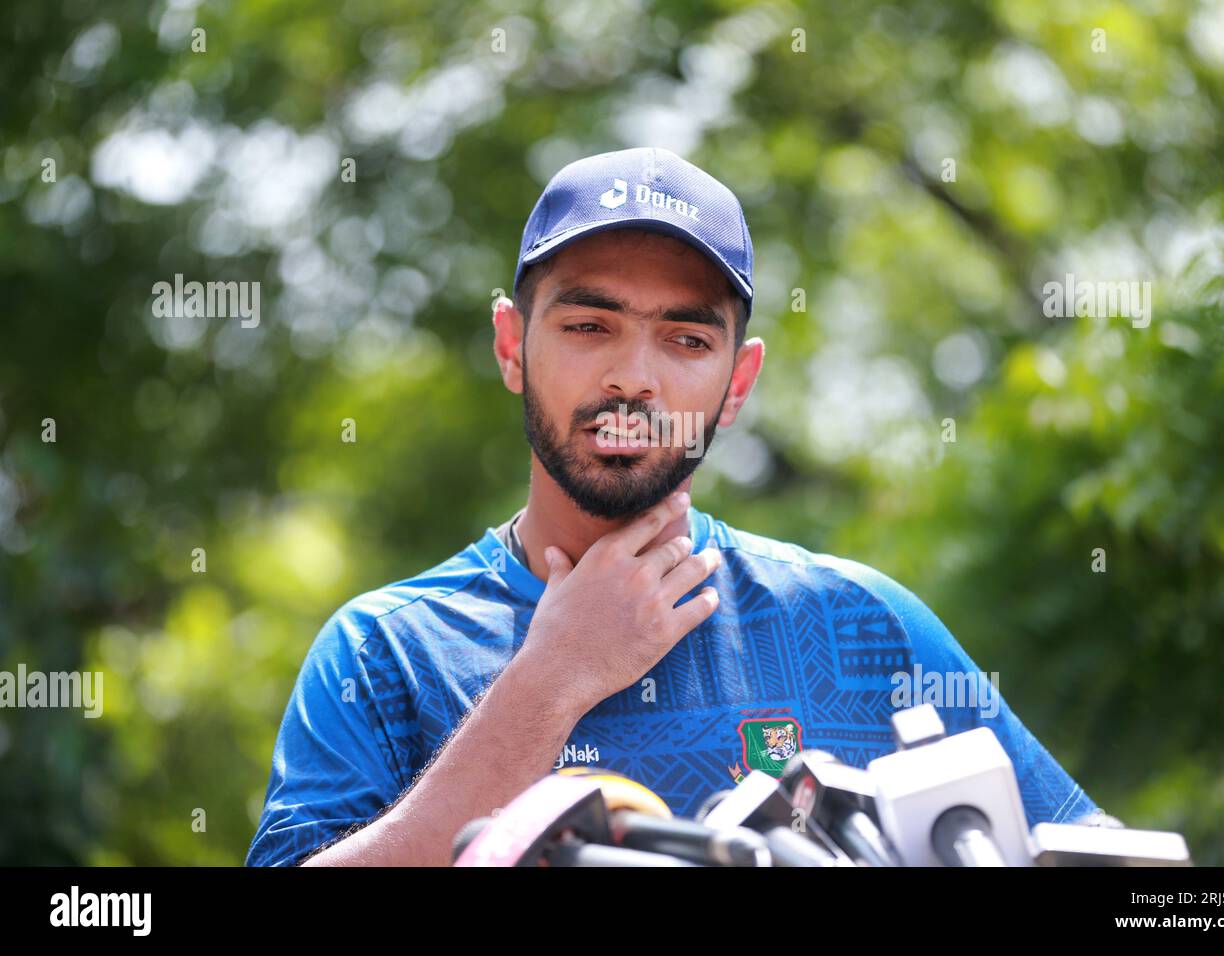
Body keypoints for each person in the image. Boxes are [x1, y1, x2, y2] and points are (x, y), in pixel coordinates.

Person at [246, 146, 1102, 867]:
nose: (634, 377)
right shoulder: (384, 651)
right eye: (589, 326)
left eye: (687, 340)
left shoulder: (863, 624)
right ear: (512, 346)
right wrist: (552, 679)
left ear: (738, 382)